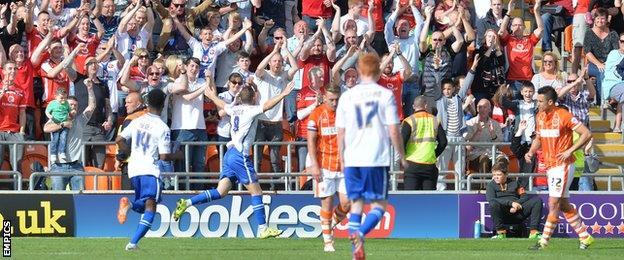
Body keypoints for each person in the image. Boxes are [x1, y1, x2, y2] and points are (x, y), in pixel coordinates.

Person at [173, 79, 294, 239]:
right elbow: (268, 105)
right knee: (256, 191)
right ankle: (263, 228)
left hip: (229, 154)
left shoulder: (234, 109)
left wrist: (211, 94)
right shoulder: (252, 110)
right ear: (253, 98)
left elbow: (222, 105)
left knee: (220, 191)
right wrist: (284, 94)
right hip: (239, 155)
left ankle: (187, 203)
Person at [336, 53, 408, 260]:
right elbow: (394, 130)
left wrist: (342, 158)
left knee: (356, 204)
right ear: (378, 71)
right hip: (375, 157)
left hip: (352, 158)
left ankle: (355, 253)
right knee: (379, 205)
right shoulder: (384, 95)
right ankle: (359, 234)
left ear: (359, 70)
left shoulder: (347, 96)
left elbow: (340, 132)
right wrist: (402, 156)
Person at [525, 86, 594, 250]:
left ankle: (543, 242)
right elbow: (539, 138)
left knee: (553, 202)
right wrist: (531, 151)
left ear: (550, 101)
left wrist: (570, 150)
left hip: (562, 166)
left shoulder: (564, 115)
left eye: (541, 101)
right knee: (563, 205)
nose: (538, 103)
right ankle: (585, 237)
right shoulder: (540, 116)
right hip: (550, 167)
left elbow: (586, 133)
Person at [116, 89, 183, 250]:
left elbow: (119, 139)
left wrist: (127, 152)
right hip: (149, 170)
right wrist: (178, 155)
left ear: (147, 103)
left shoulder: (137, 121)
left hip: (134, 169)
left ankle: (129, 206)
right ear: (163, 104)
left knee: (145, 204)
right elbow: (165, 156)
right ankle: (133, 243)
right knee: (151, 206)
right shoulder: (162, 127)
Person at [306, 85, 350, 252]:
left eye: (337, 99)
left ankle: (328, 225)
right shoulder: (316, 115)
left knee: (348, 202)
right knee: (327, 203)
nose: (334, 102)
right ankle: (328, 242)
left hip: (344, 166)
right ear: (324, 98)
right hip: (324, 166)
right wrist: (314, 165)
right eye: (331, 99)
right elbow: (310, 141)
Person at [43, 78, 96, 191]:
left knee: (81, 200)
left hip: (76, 166)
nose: (73, 107)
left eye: (75, 106)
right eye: (71, 105)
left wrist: (90, 89)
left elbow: (91, 106)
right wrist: (62, 125)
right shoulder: (57, 117)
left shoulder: (81, 119)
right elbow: (46, 128)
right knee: (58, 200)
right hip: (58, 166)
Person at [486, 162, 543, 239]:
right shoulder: (490, 185)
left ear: (506, 174)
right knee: (493, 204)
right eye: (494, 175)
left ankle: (533, 232)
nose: (496, 177)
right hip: (503, 214)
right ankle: (500, 233)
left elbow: (524, 196)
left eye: (499, 175)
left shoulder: (515, 183)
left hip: (517, 212)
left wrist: (516, 204)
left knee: (537, 201)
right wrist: (511, 203)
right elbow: (491, 200)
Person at [499, 0, 543, 98]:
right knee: (514, 109)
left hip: (528, 81)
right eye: (515, 25)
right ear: (511, 27)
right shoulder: (508, 39)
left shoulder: (530, 40)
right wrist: (509, 12)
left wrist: (536, 11)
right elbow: (501, 32)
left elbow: (540, 30)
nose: (517, 27)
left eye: (520, 25)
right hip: (512, 80)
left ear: (524, 27)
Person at [401, 95, 447, 190]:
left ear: (413, 106)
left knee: (410, 199)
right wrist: (434, 154)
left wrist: (404, 157)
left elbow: (402, 142)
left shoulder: (409, 121)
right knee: (429, 200)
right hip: (429, 165)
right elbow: (443, 142)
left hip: (412, 164)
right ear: (425, 105)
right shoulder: (435, 120)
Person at [0, 61, 27, 177]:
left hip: (14, 132)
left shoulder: (20, 91)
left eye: (15, 69)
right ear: (3, 71)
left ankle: (17, 190)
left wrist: (21, 131)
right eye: (10, 68)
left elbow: (22, 113)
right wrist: (2, 92)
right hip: (0, 130)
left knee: (17, 163)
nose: (13, 71)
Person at [116, 92, 147, 190]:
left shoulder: (131, 119)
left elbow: (126, 143)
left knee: (129, 198)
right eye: (125, 102)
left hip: (131, 166)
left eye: (129, 102)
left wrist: (119, 158)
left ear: (138, 104)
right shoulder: (149, 117)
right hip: (148, 166)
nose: (125, 105)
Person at [45, 87, 70, 162]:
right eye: (61, 98)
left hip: (64, 124)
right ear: (56, 97)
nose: (63, 100)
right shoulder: (52, 103)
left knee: (63, 138)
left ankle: (62, 152)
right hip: (55, 124)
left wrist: (70, 117)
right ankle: (53, 153)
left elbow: (69, 112)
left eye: (65, 98)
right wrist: (50, 116)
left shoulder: (66, 103)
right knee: (55, 138)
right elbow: (47, 111)